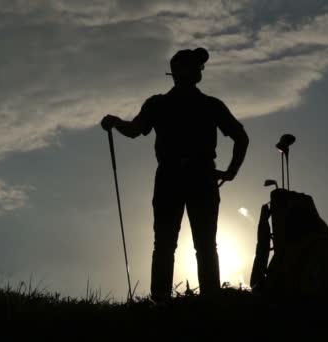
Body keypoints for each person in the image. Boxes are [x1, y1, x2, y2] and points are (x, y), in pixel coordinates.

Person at [100, 47, 249, 302]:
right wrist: (116, 122)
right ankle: (174, 300)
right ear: (179, 71)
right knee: (186, 243)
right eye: (194, 66)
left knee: (184, 243)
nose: (199, 70)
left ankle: (179, 300)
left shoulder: (169, 104)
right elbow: (135, 129)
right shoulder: (195, 105)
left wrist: (232, 170)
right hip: (192, 177)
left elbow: (241, 137)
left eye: (199, 67)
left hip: (182, 177)